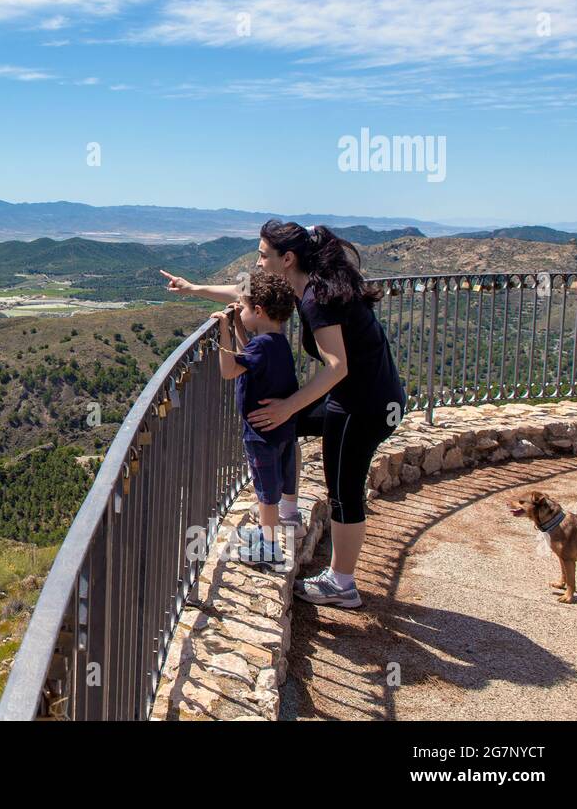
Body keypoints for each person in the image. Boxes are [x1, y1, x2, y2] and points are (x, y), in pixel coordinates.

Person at [161, 220, 406, 608]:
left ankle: (342, 583)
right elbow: (245, 293)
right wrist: (193, 289)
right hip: (358, 396)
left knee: (343, 490)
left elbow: (336, 365)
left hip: (366, 405)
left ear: (287, 258)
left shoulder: (316, 299)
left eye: (263, 255)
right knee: (286, 427)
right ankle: (286, 514)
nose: (258, 264)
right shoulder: (302, 286)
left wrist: (289, 406)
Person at [210, 271, 299, 568]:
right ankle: (267, 538)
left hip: (260, 434)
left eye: (244, 307)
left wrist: (223, 329)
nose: (241, 310)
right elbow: (249, 353)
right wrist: (237, 322)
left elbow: (229, 370)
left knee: (266, 492)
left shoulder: (262, 346)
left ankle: (269, 547)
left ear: (258, 311)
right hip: (281, 430)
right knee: (270, 487)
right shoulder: (277, 341)